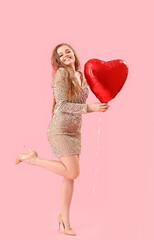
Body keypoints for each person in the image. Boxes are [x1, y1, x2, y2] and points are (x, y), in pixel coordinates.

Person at [15, 43, 110, 236]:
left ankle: (64, 219)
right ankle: (32, 159)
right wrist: (90, 108)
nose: (66, 55)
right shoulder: (61, 75)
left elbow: (82, 103)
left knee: (69, 176)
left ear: (74, 54)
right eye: (61, 54)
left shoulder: (82, 75)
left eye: (68, 51)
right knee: (73, 172)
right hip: (59, 130)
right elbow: (63, 104)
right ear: (58, 60)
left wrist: (100, 104)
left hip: (75, 132)